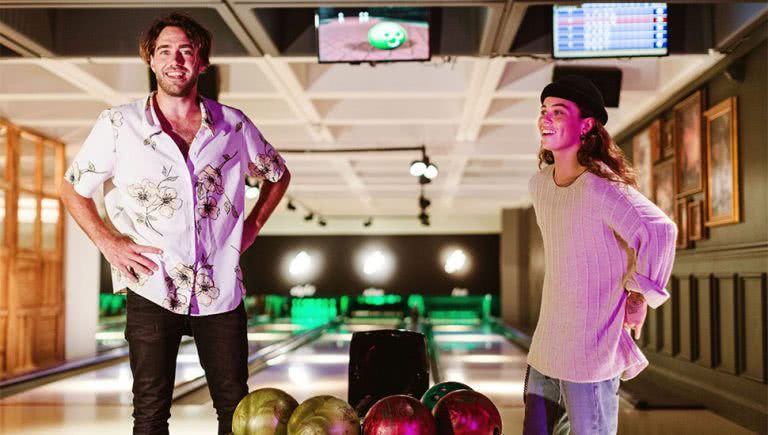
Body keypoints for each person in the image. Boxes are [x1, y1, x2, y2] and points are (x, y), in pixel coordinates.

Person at [60, 13, 290, 435]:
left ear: (202, 62)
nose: (175, 60)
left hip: (219, 288)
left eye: (186, 50)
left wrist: (252, 226)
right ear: (150, 60)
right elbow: (74, 188)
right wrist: (110, 245)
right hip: (151, 284)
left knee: (235, 409)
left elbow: (277, 173)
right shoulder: (118, 124)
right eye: (164, 51)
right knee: (149, 412)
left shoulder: (233, 124)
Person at [523, 76, 677, 435]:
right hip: (546, 344)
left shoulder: (601, 188)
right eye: (543, 111)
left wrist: (639, 294)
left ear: (587, 124)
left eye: (558, 112)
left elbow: (661, 230)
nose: (545, 118)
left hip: (591, 352)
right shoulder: (540, 185)